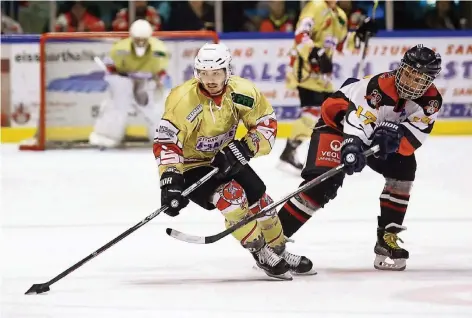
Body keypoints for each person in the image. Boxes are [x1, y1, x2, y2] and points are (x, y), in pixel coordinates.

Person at [153, 42, 316, 280]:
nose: (210, 79)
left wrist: (244, 148)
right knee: (232, 199)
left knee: (262, 202)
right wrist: (170, 180)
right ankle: (261, 253)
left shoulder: (243, 92)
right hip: (191, 165)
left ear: (228, 71)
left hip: (228, 157)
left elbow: (266, 124)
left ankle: (278, 249)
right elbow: (167, 141)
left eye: (216, 73)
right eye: (204, 73)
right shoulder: (182, 99)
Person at [276, 45, 442, 271]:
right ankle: (272, 245)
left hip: (374, 135)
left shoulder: (431, 102)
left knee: (404, 168)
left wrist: (395, 137)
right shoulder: (377, 87)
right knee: (323, 184)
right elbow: (356, 121)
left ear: (429, 81)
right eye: (408, 73)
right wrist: (352, 146)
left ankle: (387, 238)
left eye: (418, 78)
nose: (410, 81)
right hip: (336, 125)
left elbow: (412, 139)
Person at [281, 0, 376, 170]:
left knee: (331, 113)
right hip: (307, 71)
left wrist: (361, 33)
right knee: (312, 113)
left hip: (323, 77)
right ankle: (289, 151)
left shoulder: (339, 15)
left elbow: (341, 42)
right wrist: (314, 52)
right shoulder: (316, 6)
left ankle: (324, 153)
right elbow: (301, 34)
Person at [89, 19, 168, 149]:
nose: (141, 43)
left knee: (157, 109)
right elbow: (110, 68)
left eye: (144, 39)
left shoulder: (160, 51)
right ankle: (105, 137)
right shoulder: (119, 49)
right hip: (123, 81)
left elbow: (161, 71)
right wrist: (116, 82)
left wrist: (158, 82)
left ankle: (164, 138)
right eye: (137, 39)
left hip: (147, 83)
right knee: (115, 107)